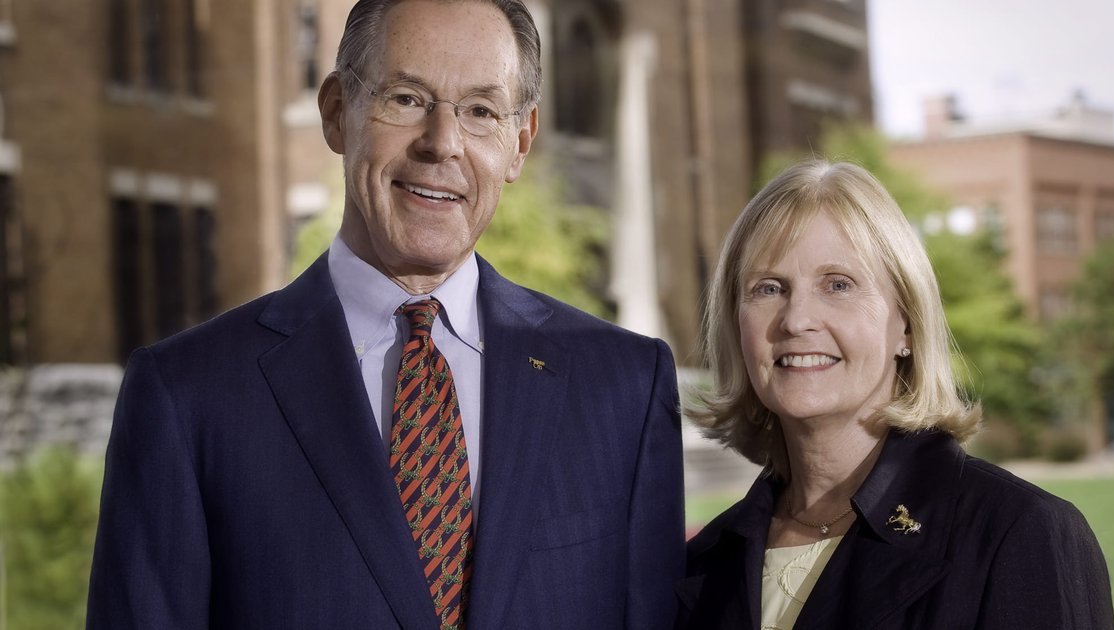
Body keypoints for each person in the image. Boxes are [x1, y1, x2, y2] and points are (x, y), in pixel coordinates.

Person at [86, 1, 684, 628]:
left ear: (520, 143)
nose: (442, 144)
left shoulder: (625, 386)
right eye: (405, 98)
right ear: (337, 112)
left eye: (481, 111)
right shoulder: (187, 396)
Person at [674, 159, 1114, 629]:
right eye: (768, 288)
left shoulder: (1018, 533)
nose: (796, 319)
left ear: (905, 322)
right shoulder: (703, 562)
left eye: (838, 285)